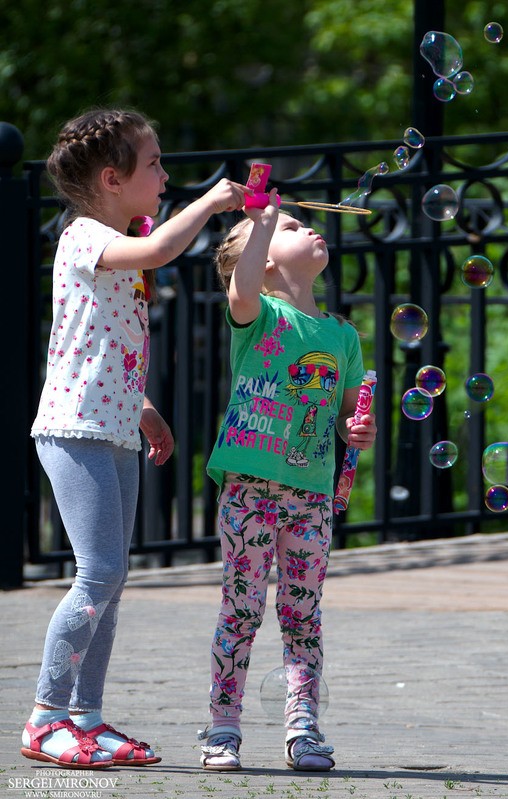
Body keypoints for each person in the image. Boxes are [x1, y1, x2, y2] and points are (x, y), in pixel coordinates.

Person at [23, 108, 250, 770]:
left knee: (112, 579)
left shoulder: (117, 242)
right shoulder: (84, 237)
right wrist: (211, 200)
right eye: (154, 163)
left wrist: (144, 407)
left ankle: (86, 718)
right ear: (113, 177)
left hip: (114, 424)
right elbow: (157, 249)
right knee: (97, 571)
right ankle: (45, 717)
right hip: (74, 429)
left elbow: (107, 345)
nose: (164, 175)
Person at [199, 189, 377, 772]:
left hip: (310, 495)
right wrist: (263, 219)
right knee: (242, 608)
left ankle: (303, 727)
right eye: (292, 226)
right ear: (266, 257)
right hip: (249, 488)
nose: (310, 229)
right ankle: (223, 725)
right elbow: (241, 288)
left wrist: (360, 429)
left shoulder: (342, 335)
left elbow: (351, 413)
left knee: (304, 611)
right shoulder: (260, 316)